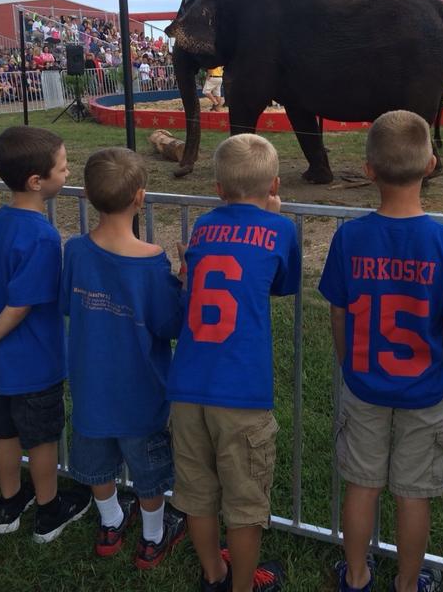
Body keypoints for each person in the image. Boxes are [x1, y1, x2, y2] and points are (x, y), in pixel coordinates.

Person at [319, 111, 443, 592]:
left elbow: (338, 314)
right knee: (414, 495)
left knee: (362, 485)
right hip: (426, 389)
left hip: (365, 382)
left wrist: (349, 361)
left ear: (368, 170)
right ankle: (409, 584)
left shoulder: (349, 238)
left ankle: (355, 576)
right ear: (431, 164)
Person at [168, 133, 301, 592]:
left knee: (198, 494)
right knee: (245, 502)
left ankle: (213, 574)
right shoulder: (280, 229)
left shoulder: (203, 226)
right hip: (241, 389)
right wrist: (273, 218)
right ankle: (243, 586)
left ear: (218, 189)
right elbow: (283, 283)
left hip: (186, 383)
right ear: (274, 184)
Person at [61, 147, 186, 568]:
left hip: (90, 388)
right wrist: (184, 282)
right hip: (141, 394)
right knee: (149, 475)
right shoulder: (152, 262)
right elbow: (169, 324)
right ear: (139, 197)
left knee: (97, 468)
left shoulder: (76, 251)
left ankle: (111, 523)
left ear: (90, 197)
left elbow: (67, 304)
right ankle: (152, 537)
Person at [0, 126, 91, 542]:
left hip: (0, 366)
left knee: (3, 432)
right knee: (43, 437)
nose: (68, 173)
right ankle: (50, 509)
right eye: (64, 167)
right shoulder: (43, 237)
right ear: (38, 181)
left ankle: (10, 501)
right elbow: (19, 307)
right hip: (33, 361)